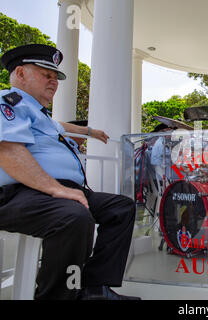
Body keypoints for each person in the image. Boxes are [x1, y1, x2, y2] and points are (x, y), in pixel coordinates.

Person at [0, 44, 140, 300]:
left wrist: (90, 132)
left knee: (121, 208)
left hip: (56, 191)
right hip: (21, 192)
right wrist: (58, 189)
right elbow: (8, 151)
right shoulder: (7, 102)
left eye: (56, 77)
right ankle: (57, 295)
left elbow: (59, 126)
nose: (54, 81)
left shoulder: (39, 115)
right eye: (46, 74)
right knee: (74, 217)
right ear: (20, 73)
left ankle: (94, 288)